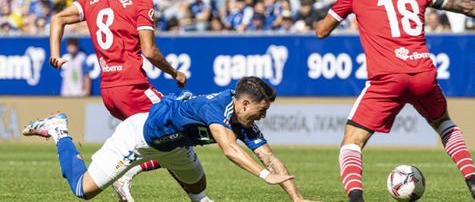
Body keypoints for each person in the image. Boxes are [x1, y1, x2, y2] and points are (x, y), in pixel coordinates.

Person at [315, 0, 475, 202]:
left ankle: (356, 199)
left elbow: (321, 31)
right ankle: (473, 181)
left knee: (352, 141)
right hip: (422, 73)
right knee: (444, 123)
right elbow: (466, 7)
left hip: (387, 78)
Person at [23, 76, 318, 202]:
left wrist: (296, 197)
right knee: (82, 190)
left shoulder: (243, 118)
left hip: (176, 147)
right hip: (137, 138)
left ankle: (129, 177)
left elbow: (269, 155)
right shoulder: (215, 108)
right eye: (261, 110)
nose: (262, 116)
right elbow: (229, 149)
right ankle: (59, 129)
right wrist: (265, 176)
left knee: (199, 194)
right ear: (243, 104)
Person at [49, 0, 187, 201]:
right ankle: (129, 173)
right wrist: (174, 72)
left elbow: (57, 18)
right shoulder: (140, 0)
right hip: (133, 87)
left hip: (109, 92)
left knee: (164, 141)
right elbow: (149, 51)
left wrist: (55, 53)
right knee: (180, 135)